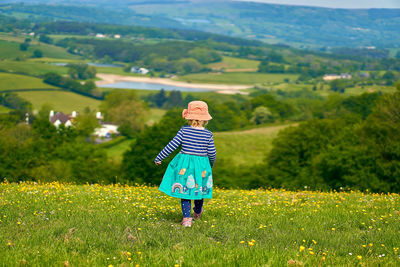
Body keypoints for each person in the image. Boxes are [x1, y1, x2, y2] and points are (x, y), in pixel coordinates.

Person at [154, 101, 216, 227]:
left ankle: (187, 219)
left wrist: (160, 157)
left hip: (184, 166)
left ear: (189, 118)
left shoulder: (184, 131)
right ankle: (197, 212)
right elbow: (212, 152)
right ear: (205, 120)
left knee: (185, 191)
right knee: (199, 190)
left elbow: (172, 145)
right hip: (201, 167)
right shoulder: (208, 134)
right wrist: (211, 164)